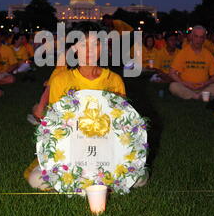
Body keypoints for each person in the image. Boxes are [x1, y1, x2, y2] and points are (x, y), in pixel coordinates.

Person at [25, 22, 148, 190]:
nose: (89, 50)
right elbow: (58, 127)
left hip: (105, 150)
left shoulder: (114, 80)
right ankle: (90, 183)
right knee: (37, 179)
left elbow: (120, 125)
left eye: (95, 44)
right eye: (83, 44)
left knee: (138, 177)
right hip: (72, 150)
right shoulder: (61, 81)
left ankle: (90, 183)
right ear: (74, 49)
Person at [169, 25, 214, 100]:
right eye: (196, 36)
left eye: (201, 37)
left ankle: (195, 95)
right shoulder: (183, 52)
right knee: (173, 86)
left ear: (204, 39)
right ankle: (197, 96)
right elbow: (172, 73)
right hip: (186, 87)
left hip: (204, 87)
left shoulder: (208, 54)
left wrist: (206, 83)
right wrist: (184, 83)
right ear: (192, 37)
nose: (198, 40)